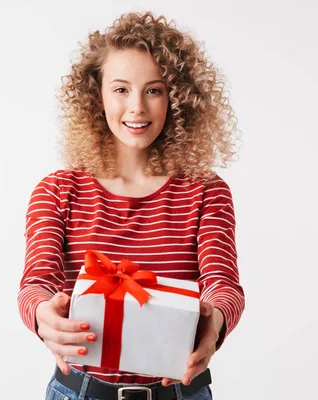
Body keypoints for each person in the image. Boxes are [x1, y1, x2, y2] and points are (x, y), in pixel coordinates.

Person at [18, 11, 245, 400]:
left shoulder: (206, 192)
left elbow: (223, 286)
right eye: (121, 89)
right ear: (97, 96)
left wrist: (216, 322)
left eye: (154, 90)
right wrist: (42, 314)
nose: (137, 107)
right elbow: (36, 283)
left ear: (178, 99)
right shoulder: (57, 191)